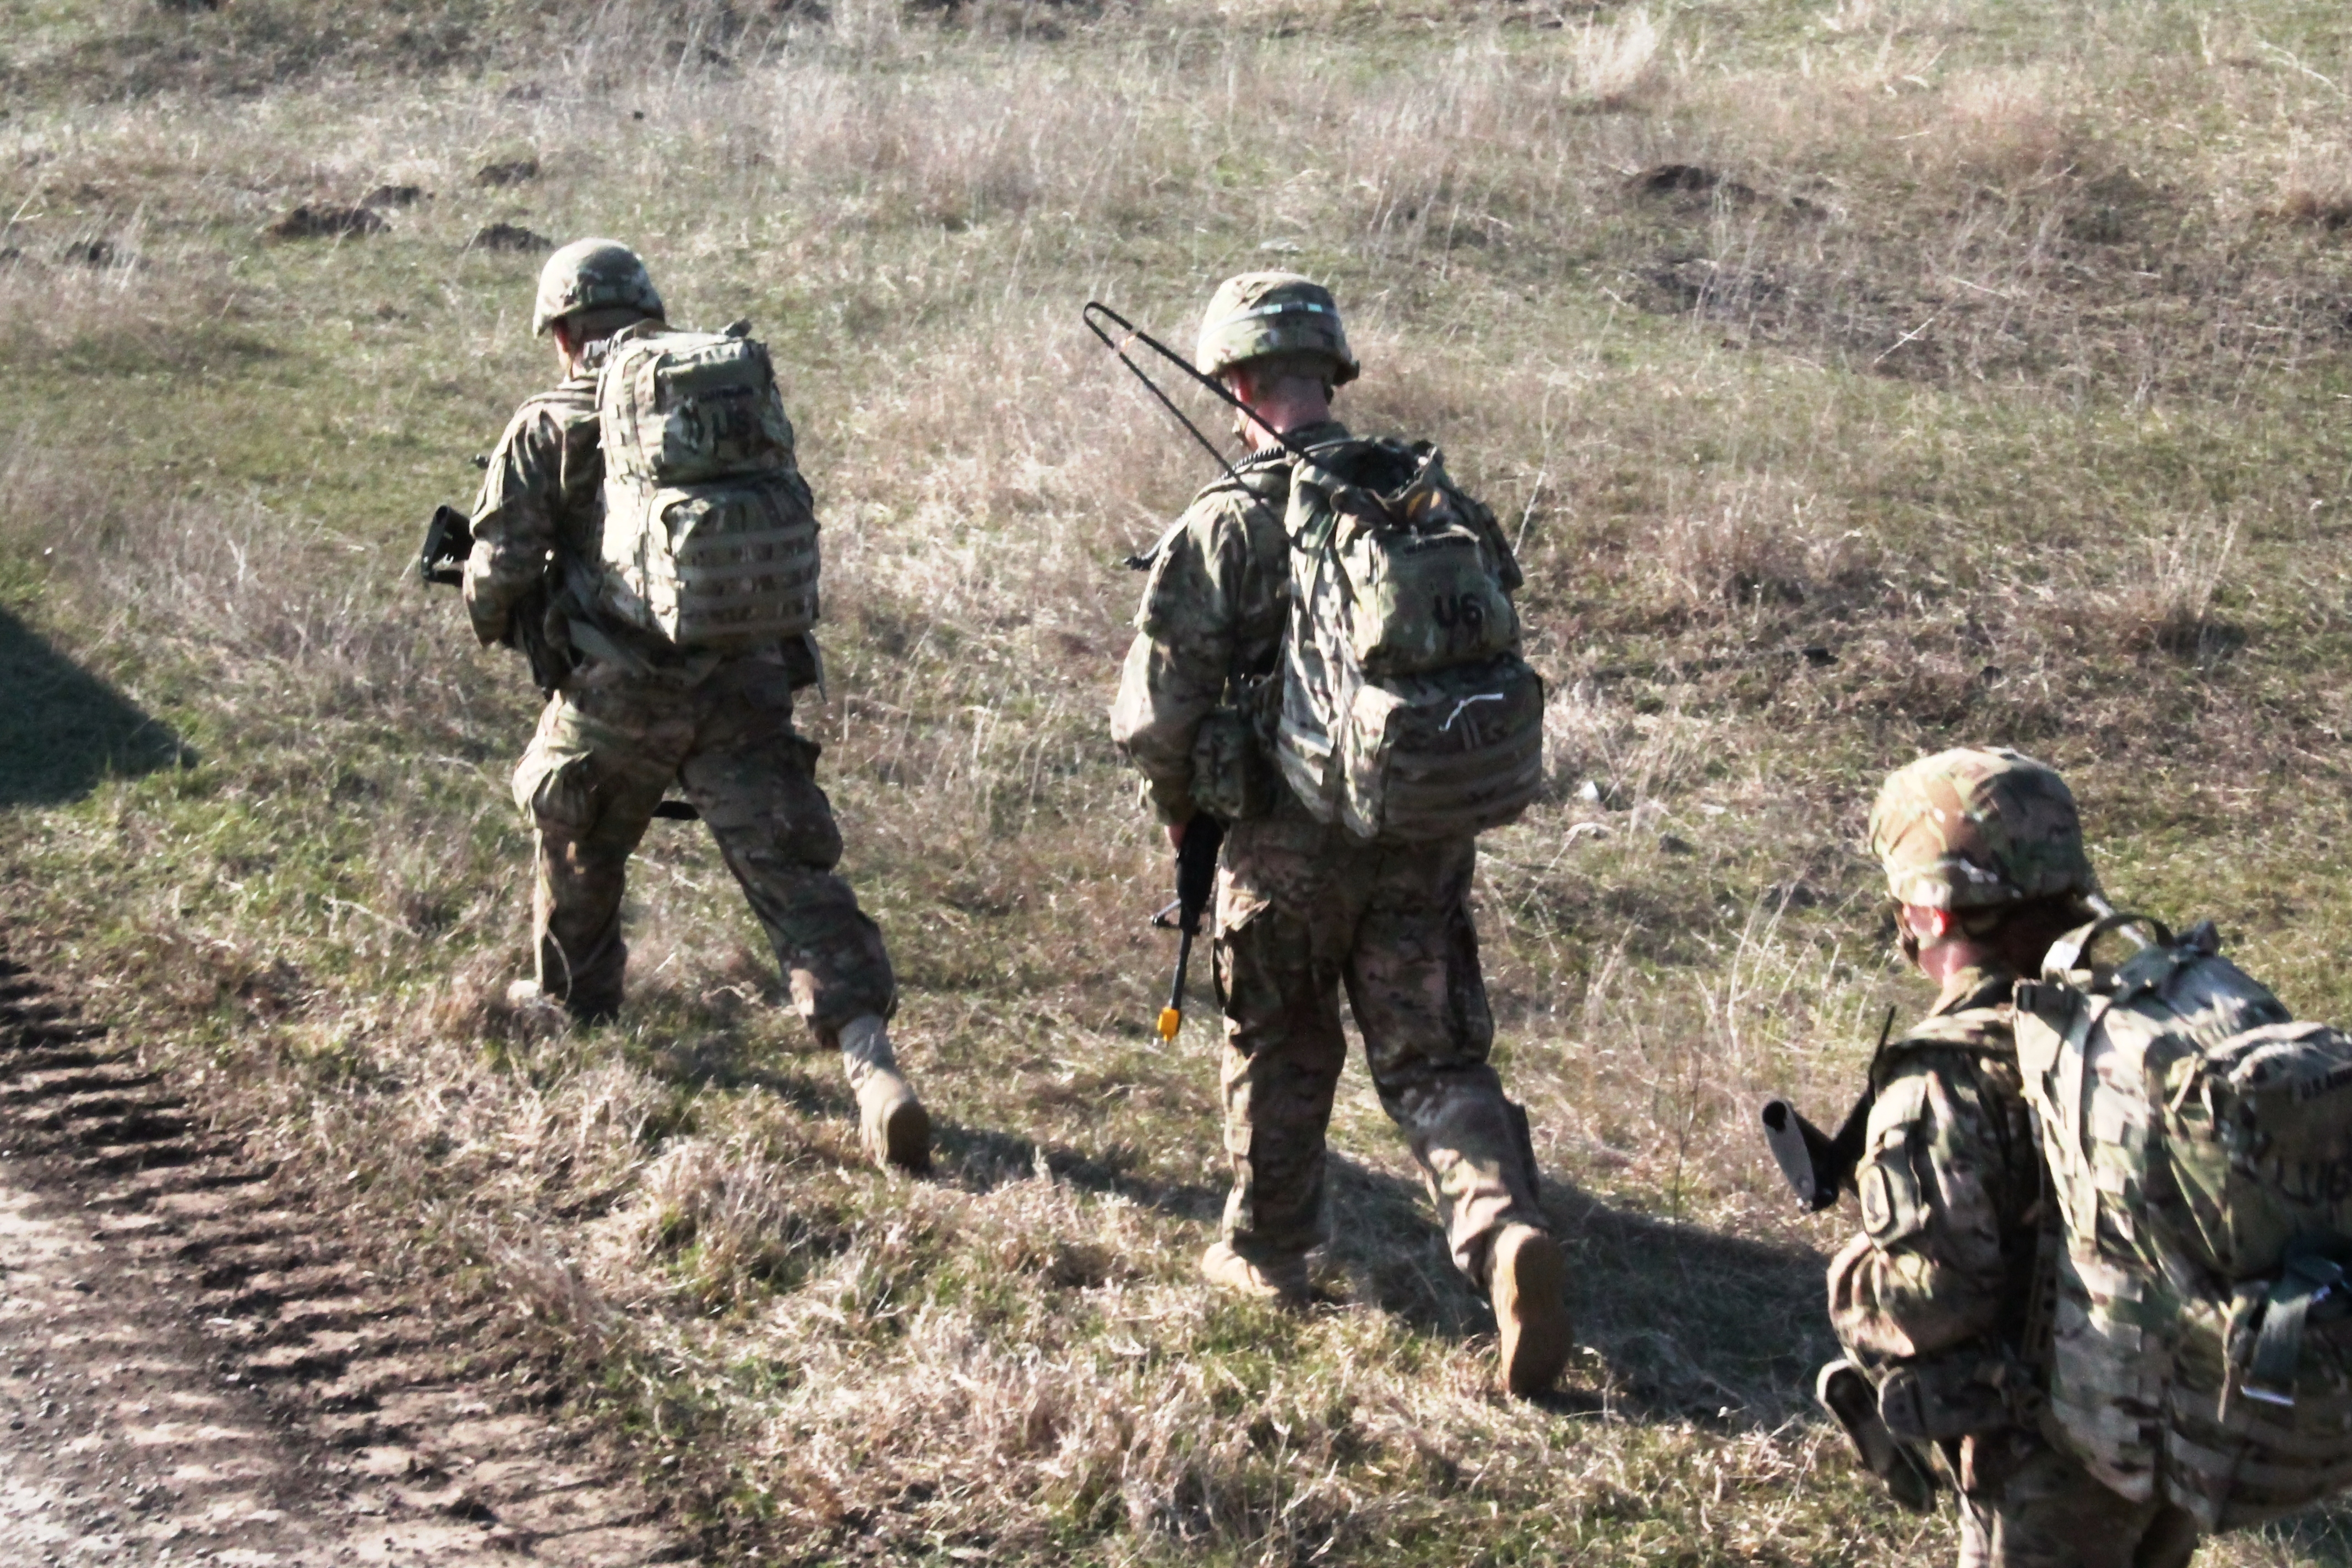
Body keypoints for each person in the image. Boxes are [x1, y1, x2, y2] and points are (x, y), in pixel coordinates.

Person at [1108, 272, 1573, 1397]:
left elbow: (1151, 717)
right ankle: (1502, 1228)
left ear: (1234, 381)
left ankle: (1268, 1251)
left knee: (1280, 1039)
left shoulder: (1225, 521)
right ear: (1332, 374)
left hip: (1280, 844)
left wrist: (1184, 810)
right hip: (1419, 835)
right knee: (1434, 1056)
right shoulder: (1430, 501)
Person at [459, 237, 929, 1172]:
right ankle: (874, 1067)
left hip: (620, 693)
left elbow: (499, 572)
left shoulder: (549, 423)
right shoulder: (723, 405)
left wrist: (488, 600)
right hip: (747, 681)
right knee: (795, 881)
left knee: (574, 830)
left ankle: (576, 1005)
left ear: (562, 332)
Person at [1823, 746, 2199, 1568]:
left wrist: (1853, 1278)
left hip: (2052, 1459)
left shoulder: (1951, 1073)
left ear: (1926, 911)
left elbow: (1935, 1300)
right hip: (2176, 1427)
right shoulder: (2144, 1019)